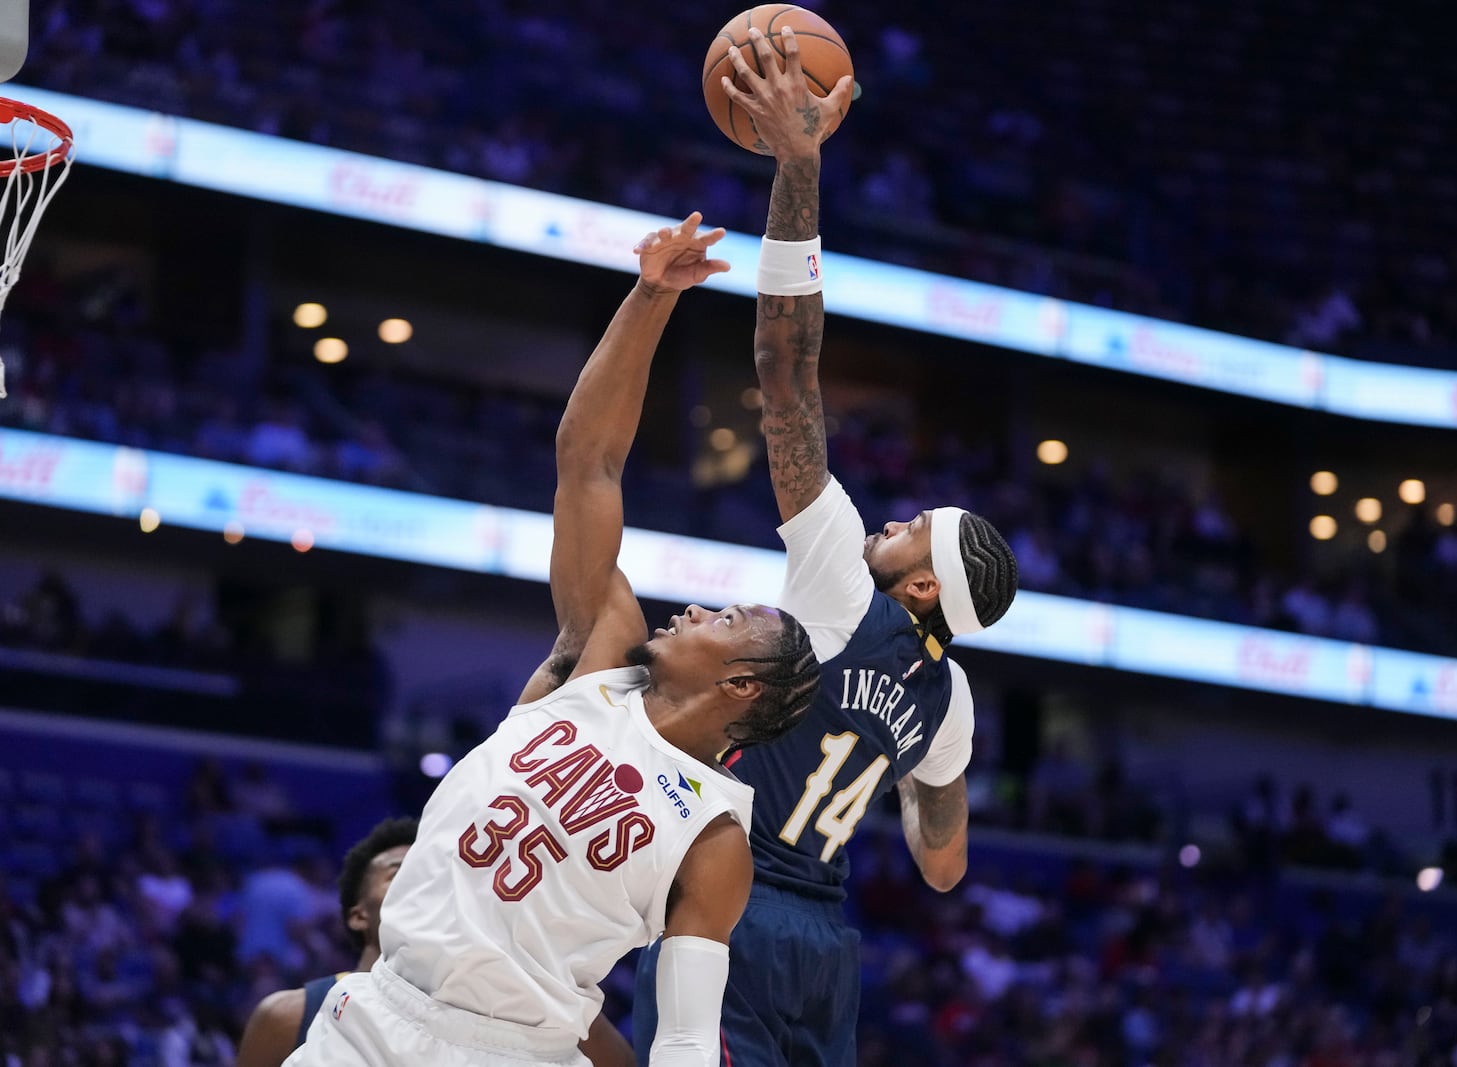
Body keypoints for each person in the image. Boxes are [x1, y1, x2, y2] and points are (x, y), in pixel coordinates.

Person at [285, 214, 822, 1067]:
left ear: (745, 685)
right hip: (373, 1017)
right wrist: (652, 296)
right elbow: (588, 461)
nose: (692, 609)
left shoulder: (716, 839)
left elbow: (683, 1032)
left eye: (725, 619)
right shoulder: (603, 654)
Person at [633, 28, 1019, 1067]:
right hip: (827, 947)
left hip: (730, 904)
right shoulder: (954, 699)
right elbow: (942, 867)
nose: (888, 520)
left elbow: (785, 363)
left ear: (926, 582)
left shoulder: (843, 581)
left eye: (910, 528)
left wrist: (798, 172)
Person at [237, 817, 417, 1067]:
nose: (420, 886)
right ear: (358, 915)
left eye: (428, 878)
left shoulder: (468, 1018)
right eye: (398, 874)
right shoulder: (288, 1017)